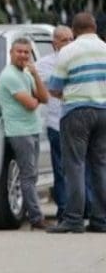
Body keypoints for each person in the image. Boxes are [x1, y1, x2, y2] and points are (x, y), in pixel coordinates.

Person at [47, 12, 106, 233]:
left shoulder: (68, 51)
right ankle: (101, 220)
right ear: (94, 27)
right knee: (100, 166)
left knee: (74, 165)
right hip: (103, 112)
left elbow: (54, 87)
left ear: (74, 30)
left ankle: (73, 219)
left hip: (76, 112)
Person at [0, 37, 50, 229]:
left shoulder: (27, 74)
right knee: (27, 176)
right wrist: (36, 100)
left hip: (32, 129)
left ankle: (33, 213)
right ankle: (36, 218)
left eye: (26, 52)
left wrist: (35, 75)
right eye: (19, 51)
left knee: (31, 175)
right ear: (11, 53)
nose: (23, 55)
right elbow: (30, 104)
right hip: (19, 131)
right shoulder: (9, 75)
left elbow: (44, 97)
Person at [36, 25, 74, 221]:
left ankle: (87, 209)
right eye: (64, 40)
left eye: (71, 39)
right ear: (55, 44)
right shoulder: (43, 64)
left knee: (83, 169)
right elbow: (27, 81)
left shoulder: (79, 61)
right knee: (60, 170)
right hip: (56, 123)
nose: (68, 43)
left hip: (78, 123)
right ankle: (64, 209)